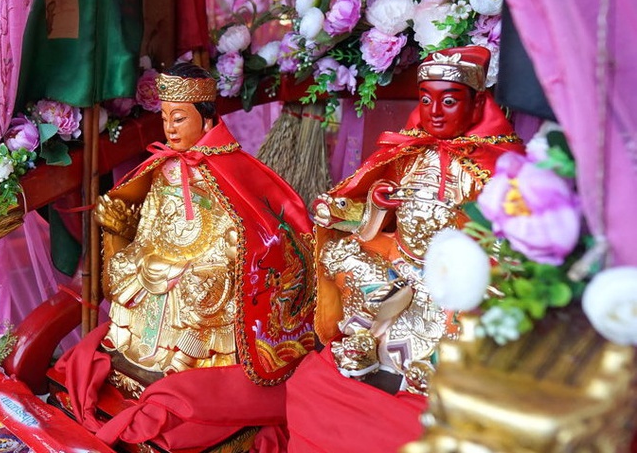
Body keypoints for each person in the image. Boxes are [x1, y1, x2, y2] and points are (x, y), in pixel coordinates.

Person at [54, 63, 317, 451]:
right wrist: (131, 239)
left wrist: (198, 260)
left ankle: (194, 362)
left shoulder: (234, 169)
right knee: (135, 269)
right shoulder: (162, 169)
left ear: (207, 118)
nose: (170, 129)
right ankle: (137, 352)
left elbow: (246, 234)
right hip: (163, 257)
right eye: (165, 119)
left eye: (179, 119)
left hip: (208, 265)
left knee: (194, 285)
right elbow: (151, 227)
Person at [285, 45, 525, 452]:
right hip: (401, 266)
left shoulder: (497, 166)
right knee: (340, 255)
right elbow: (364, 218)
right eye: (426, 100)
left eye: (448, 101)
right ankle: (366, 340)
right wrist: (366, 207)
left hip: (455, 280)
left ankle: (437, 363)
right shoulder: (408, 153)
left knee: (484, 300)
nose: (434, 112)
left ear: (478, 102)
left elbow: (513, 240)